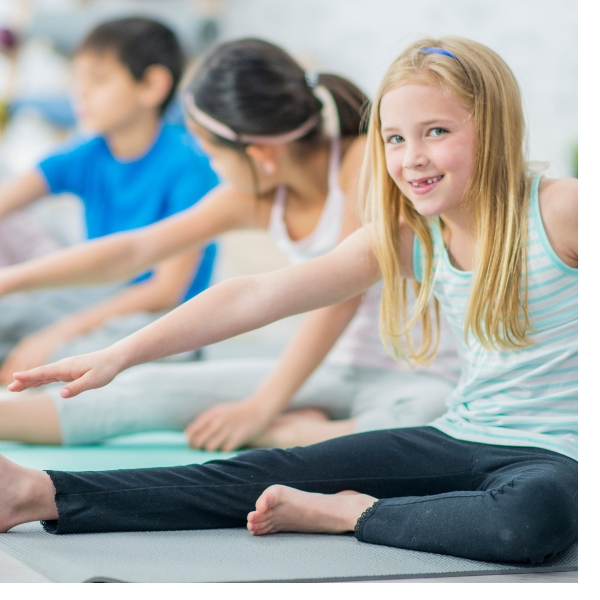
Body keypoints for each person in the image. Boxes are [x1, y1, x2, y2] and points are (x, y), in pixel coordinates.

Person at [0, 35, 576, 565]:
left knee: (530, 521)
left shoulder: (562, 210)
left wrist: (358, 511)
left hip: (558, 454)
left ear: (494, 127)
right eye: (396, 139)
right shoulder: (410, 233)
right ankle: (36, 493)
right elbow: (256, 296)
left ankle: (352, 512)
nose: (412, 158)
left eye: (437, 132)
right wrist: (120, 354)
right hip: (461, 433)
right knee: (264, 471)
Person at [0, 39, 458, 450]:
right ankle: (304, 428)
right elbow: (134, 250)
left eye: (215, 156)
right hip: (329, 374)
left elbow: (339, 298)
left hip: (418, 379)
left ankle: (298, 432)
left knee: (424, 420)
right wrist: (10, 280)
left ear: (259, 154)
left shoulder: (363, 164)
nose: (214, 170)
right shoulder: (257, 194)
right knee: (145, 388)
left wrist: (260, 406)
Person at [0, 17, 219, 380]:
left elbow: (165, 290)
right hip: (96, 297)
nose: (80, 93)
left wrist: (62, 330)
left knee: (76, 355)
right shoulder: (89, 152)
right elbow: (10, 196)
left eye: (98, 80)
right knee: (16, 318)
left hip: (160, 318)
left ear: (152, 85)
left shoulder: (187, 164)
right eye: (77, 79)